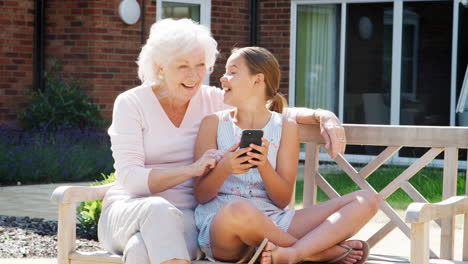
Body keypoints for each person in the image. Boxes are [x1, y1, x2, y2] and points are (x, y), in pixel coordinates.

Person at [98, 18, 348, 264]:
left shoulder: (210, 98)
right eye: (183, 66)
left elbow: (265, 108)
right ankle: (310, 252)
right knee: (157, 210)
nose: (195, 76)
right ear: (160, 67)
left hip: (187, 218)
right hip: (130, 209)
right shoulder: (131, 103)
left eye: (201, 65)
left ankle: (304, 252)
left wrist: (320, 115)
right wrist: (190, 170)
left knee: (141, 251)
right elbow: (131, 180)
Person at [193, 47, 379, 264]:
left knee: (367, 199)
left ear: (257, 80)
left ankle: (291, 254)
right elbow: (201, 194)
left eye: (232, 72)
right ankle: (316, 253)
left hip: (274, 221)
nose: (223, 78)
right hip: (223, 227)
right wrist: (225, 167)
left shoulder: (285, 127)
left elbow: (281, 199)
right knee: (237, 209)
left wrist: (263, 165)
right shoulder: (212, 123)